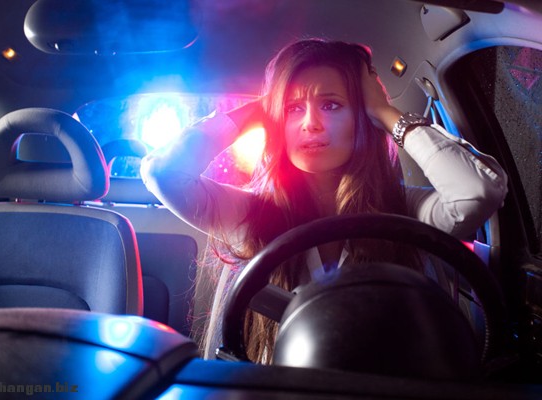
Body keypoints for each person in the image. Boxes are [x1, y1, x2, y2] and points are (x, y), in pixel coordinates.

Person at [141, 38, 508, 363]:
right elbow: (162, 173)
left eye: (331, 105)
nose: (310, 124)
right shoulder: (251, 213)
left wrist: (385, 112)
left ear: (362, 117)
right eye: (293, 109)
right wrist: (265, 106)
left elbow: (477, 191)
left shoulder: (406, 210)